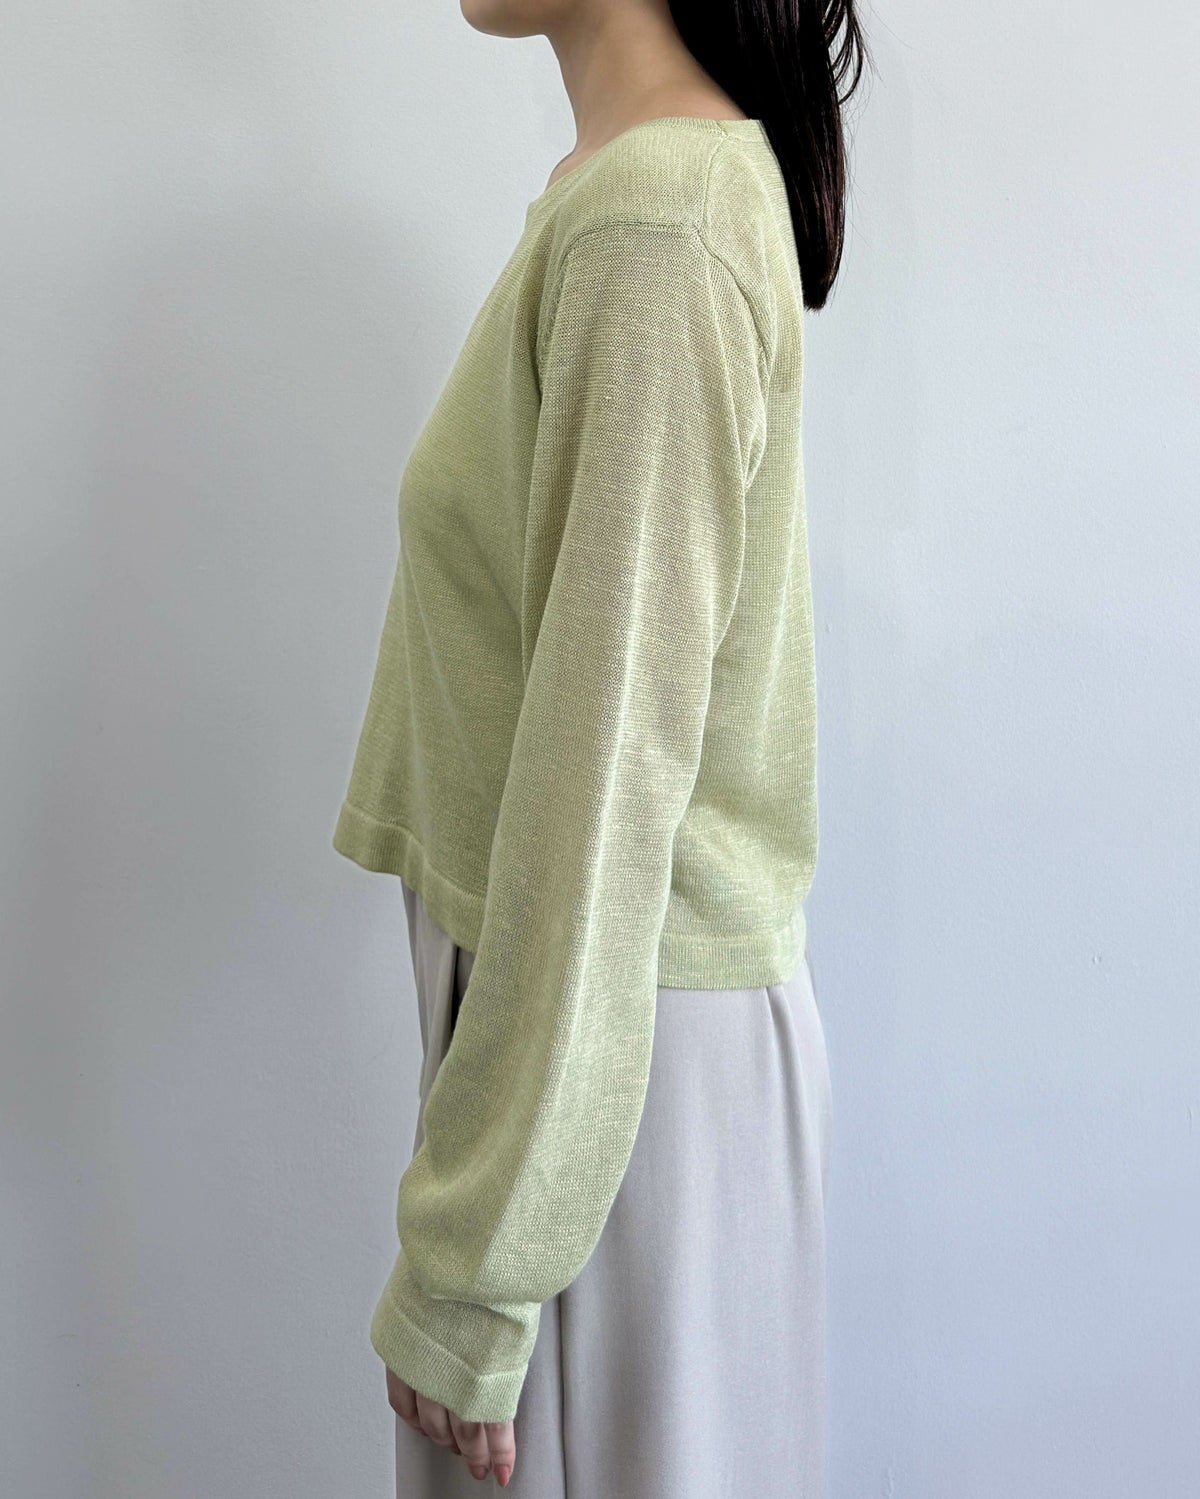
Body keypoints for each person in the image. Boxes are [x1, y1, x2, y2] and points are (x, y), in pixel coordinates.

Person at [331, 0, 869, 1492]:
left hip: (605, 1083)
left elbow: (607, 787)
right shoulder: (634, 199)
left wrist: (478, 1264)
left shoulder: (657, 228)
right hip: (584, 1060)